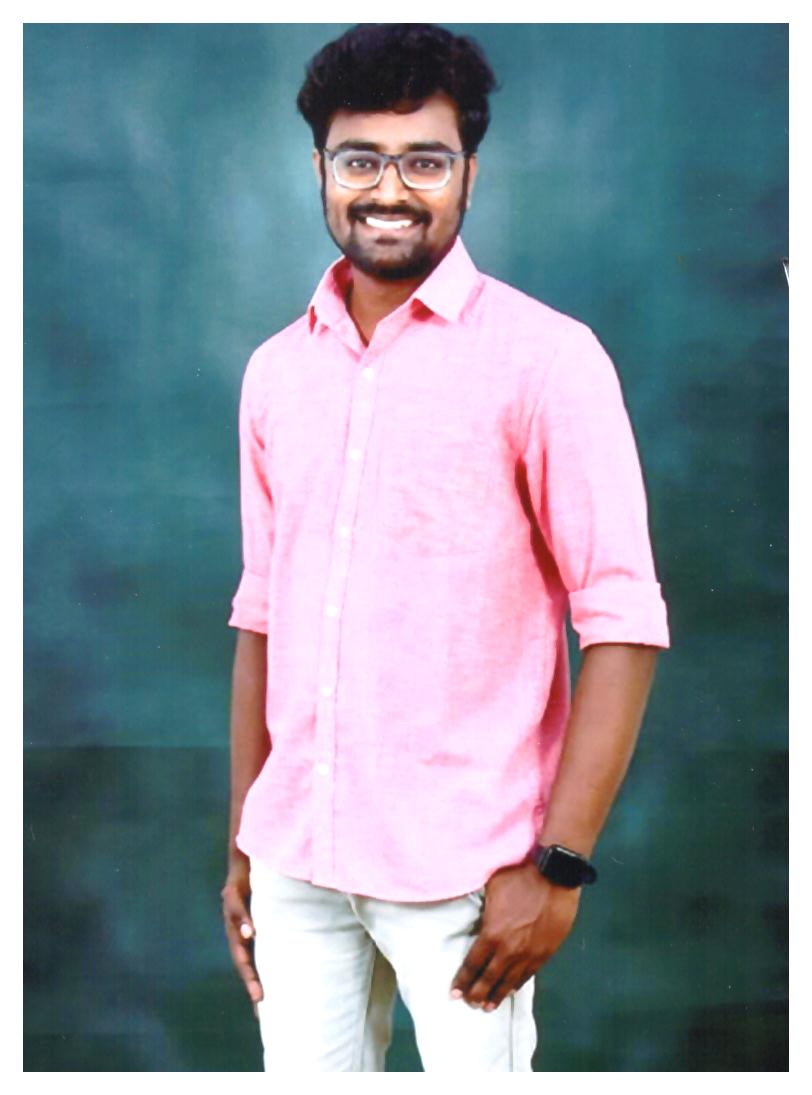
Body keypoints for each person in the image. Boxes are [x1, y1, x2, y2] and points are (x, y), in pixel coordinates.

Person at [221, 23, 669, 1073]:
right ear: (320, 169)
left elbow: (621, 622)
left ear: (470, 172)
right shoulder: (276, 372)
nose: (389, 190)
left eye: (423, 160)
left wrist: (558, 866)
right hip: (295, 865)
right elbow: (263, 614)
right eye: (359, 160)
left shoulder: (547, 362)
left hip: (469, 879)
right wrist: (245, 839)